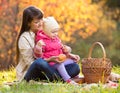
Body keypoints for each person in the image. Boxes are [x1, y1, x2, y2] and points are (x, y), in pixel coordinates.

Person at [16, 6, 80, 83]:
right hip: (33, 72)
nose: (40, 24)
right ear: (28, 23)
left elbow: (56, 49)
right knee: (40, 62)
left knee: (75, 67)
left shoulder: (46, 32)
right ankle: (61, 78)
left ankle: (57, 78)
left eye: (41, 20)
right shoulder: (24, 38)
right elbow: (31, 64)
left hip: (49, 68)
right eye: (36, 22)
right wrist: (49, 60)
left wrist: (68, 54)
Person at [34, 17, 80, 85]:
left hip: (59, 60)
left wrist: (69, 54)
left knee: (73, 61)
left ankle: (71, 75)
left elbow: (62, 49)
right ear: (46, 31)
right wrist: (38, 47)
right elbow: (38, 57)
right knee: (60, 65)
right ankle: (68, 80)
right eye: (53, 32)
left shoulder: (56, 39)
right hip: (51, 64)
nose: (56, 34)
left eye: (56, 31)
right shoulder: (42, 41)